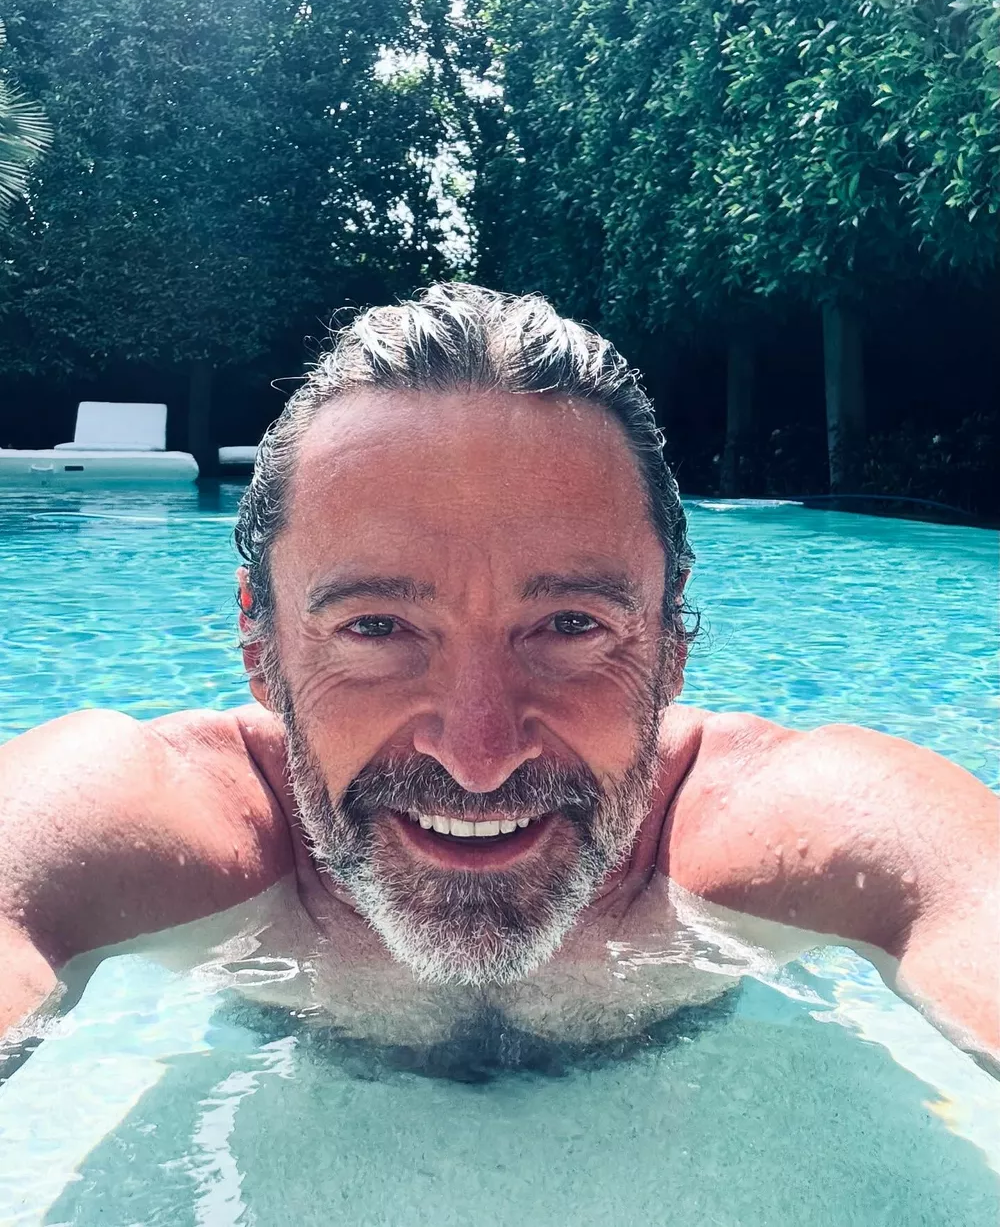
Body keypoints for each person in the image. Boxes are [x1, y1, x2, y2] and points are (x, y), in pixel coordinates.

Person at [0, 284, 996, 1067]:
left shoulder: (778, 821)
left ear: (671, 639)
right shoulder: (151, 813)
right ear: (259, 643)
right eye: (377, 626)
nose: (478, 756)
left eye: (570, 625)